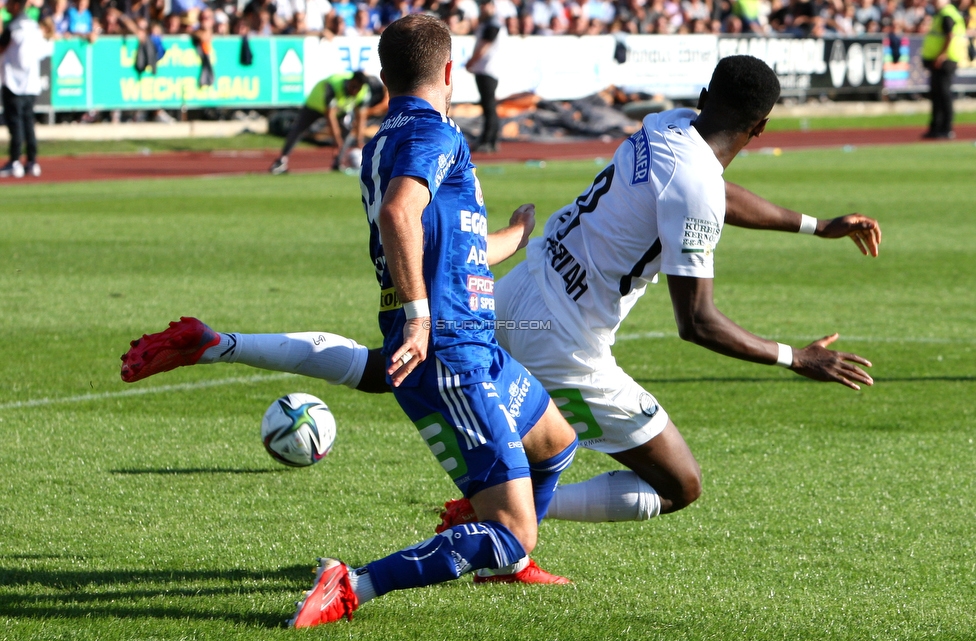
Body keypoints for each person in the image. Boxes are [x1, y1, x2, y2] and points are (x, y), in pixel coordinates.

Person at [120, 56, 881, 578]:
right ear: (760, 129)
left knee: (399, 372)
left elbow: (708, 196)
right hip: (569, 343)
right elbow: (699, 322)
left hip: (518, 291)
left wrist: (816, 224)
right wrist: (794, 358)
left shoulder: (669, 125)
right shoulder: (699, 181)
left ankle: (225, 344)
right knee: (679, 485)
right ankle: (490, 526)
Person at [123, 14, 579, 628]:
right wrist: (420, 319)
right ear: (449, 72)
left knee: (555, 444)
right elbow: (399, 214)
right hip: (451, 348)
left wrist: (515, 235)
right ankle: (356, 584)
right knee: (517, 531)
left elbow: (450, 242)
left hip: (463, 337)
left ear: (384, 78)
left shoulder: (391, 138)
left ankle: (494, 551)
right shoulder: (431, 135)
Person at [269, 70, 387, 174]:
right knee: (299, 130)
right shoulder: (333, 86)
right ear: (350, 81)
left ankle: (337, 162)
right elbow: (330, 116)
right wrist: (336, 139)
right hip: (315, 104)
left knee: (347, 131)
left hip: (340, 108)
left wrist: (359, 140)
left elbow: (361, 117)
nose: (355, 91)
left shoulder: (363, 91)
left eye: (358, 88)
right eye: (353, 87)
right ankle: (281, 160)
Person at [0, 0, 53, 178]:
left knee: (16, 124)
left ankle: (15, 161)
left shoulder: (14, 28)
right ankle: (31, 161)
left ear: (16, 6)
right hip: (31, 84)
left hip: (14, 82)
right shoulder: (34, 27)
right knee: (28, 124)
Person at [921, 0, 966, 139]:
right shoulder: (942, 13)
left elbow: (950, 35)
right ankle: (936, 128)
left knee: (944, 94)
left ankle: (946, 128)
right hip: (940, 60)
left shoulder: (947, 14)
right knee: (937, 94)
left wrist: (942, 54)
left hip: (945, 60)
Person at [466, 0, 505, 153]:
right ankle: (489, 139)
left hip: (488, 68)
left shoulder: (493, 23)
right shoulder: (489, 22)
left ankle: (489, 140)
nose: (483, 8)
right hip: (485, 68)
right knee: (488, 105)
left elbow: (485, 45)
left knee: (489, 105)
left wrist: (472, 61)